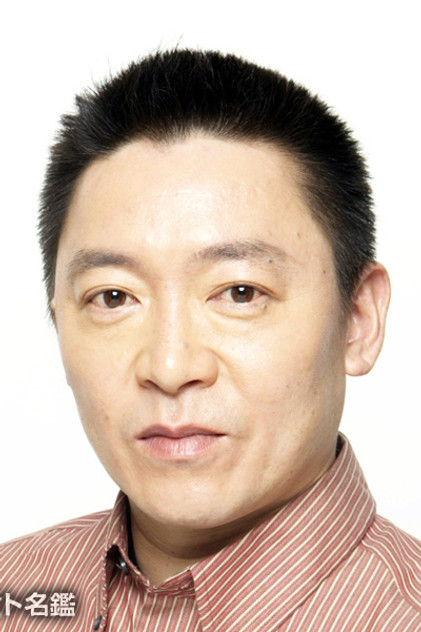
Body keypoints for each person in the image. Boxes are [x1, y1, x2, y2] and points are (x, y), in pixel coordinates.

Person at [0, 49, 420, 631]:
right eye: (114, 297)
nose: (170, 367)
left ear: (359, 318)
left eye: (240, 292)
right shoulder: (17, 592)